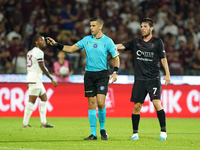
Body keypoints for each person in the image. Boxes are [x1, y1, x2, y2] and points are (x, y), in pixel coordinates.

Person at [46, 16, 120, 140]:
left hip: (102, 74)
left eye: (93, 26)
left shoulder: (108, 41)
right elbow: (70, 49)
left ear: (100, 26)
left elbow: (116, 57)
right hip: (89, 75)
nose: (91, 28)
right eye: (90, 26)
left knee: (101, 103)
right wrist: (56, 44)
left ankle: (102, 129)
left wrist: (115, 71)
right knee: (91, 104)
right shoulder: (86, 40)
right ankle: (93, 134)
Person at [116, 18, 171, 140]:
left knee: (157, 103)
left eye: (145, 26)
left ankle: (163, 132)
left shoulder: (157, 42)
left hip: (153, 78)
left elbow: (163, 58)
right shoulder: (136, 42)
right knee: (137, 106)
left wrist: (167, 74)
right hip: (140, 80)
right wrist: (108, 46)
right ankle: (135, 134)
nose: (142, 28)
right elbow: (121, 46)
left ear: (151, 28)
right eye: (141, 26)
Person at [22, 35, 58, 128]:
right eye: (41, 40)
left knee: (44, 98)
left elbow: (29, 68)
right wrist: (52, 78)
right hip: (35, 80)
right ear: (36, 42)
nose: (43, 42)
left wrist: (28, 80)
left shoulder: (30, 52)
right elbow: (42, 67)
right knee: (31, 101)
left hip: (34, 79)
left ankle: (44, 123)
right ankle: (25, 124)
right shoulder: (39, 52)